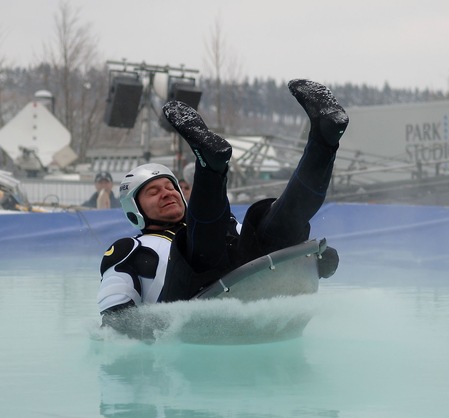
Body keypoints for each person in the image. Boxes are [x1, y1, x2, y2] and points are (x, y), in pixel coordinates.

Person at [97, 79, 347, 331]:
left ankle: (324, 140)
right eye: (153, 191)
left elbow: (280, 247)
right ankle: (210, 167)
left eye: (171, 187)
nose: (167, 193)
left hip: (248, 284)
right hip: (189, 309)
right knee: (199, 245)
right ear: (134, 209)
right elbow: (114, 318)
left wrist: (313, 260)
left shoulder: (226, 226)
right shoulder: (128, 250)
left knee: (273, 224)